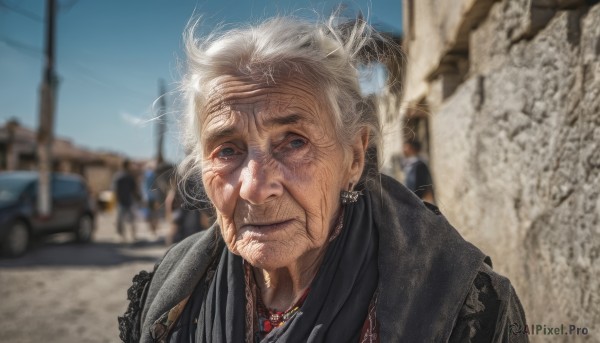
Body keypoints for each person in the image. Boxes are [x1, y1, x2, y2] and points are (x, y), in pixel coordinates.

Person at [119, 16, 528, 342]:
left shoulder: (463, 304)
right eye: (227, 150)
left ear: (353, 157)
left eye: (293, 142)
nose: (256, 188)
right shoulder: (167, 291)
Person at [113, 159, 140, 242]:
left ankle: (124, 236)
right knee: (128, 220)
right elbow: (134, 190)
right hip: (127, 201)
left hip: (125, 201)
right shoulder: (127, 176)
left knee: (122, 220)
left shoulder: (120, 176)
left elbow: (115, 190)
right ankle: (131, 236)